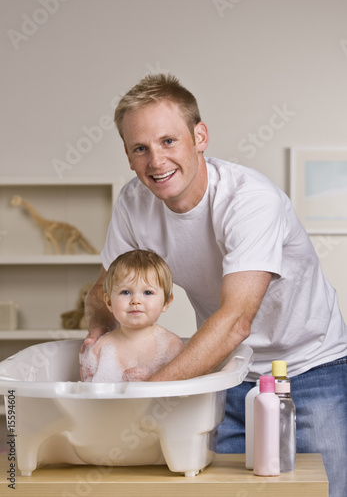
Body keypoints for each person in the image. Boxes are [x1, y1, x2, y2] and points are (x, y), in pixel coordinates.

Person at [82, 74, 347, 497]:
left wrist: (146, 395)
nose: (156, 162)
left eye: (168, 141)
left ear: (199, 136)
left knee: (323, 491)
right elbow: (105, 288)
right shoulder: (134, 202)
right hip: (226, 371)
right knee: (218, 491)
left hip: (310, 366)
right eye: (140, 148)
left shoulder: (250, 200)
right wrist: (97, 334)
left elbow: (236, 320)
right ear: (128, 157)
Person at [80, 249, 184, 382]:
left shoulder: (172, 346)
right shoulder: (100, 349)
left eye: (147, 292)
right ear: (109, 302)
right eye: (125, 292)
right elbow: (88, 390)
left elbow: (180, 391)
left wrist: (153, 380)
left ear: (166, 302)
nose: (136, 300)